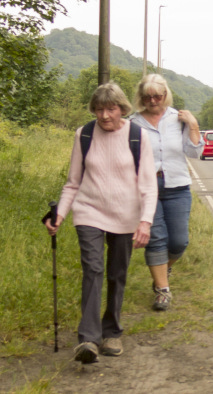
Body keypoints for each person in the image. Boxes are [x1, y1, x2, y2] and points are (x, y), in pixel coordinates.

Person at [45, 83, 158, 363]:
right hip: (89, 211)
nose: (105, 115)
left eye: (111, 108)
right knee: (93, 269)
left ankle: (112, 332)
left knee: (117, 274)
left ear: (122, 108)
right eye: (99, 109)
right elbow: (73, 183)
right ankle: (89, 339)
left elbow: (148, 184)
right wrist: (59, 213)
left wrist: (145, 221)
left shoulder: (137, 136)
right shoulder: (83, 134)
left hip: (126, 214)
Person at [129, 74, 204, 311]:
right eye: (147, 96)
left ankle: (164, 268)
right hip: (146, 189)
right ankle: (162, 290)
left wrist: (193, 124)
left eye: (157, 96)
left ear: (165, 95)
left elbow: (194, 153)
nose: (153, 101)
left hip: (177, 187)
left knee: (179, 242)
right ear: (141, 97)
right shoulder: (132, 123)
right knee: (156, 239)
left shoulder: (178, 119)